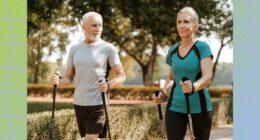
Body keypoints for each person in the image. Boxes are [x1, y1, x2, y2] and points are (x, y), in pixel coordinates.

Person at [52, 11, 126, 140]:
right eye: (94, 25)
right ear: (83, 27)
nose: (98, 29)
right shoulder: (74, 49)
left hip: (99, 103)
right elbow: (68, 78)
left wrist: (108, 85)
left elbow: (121, 75)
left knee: (90, 138)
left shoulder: (108, 48)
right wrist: (57, 81)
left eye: (100, 25)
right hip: (79, 103)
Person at [152, 7, 213, 140]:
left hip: (200, 108)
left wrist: (194, 86)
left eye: (186, 21)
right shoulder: (173, 50)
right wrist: (162, 94)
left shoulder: (202, 47)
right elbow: (171, 79)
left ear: (195, 26)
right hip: (175, 107)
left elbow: (207, 77)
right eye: (179, 22)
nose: (181, 25)